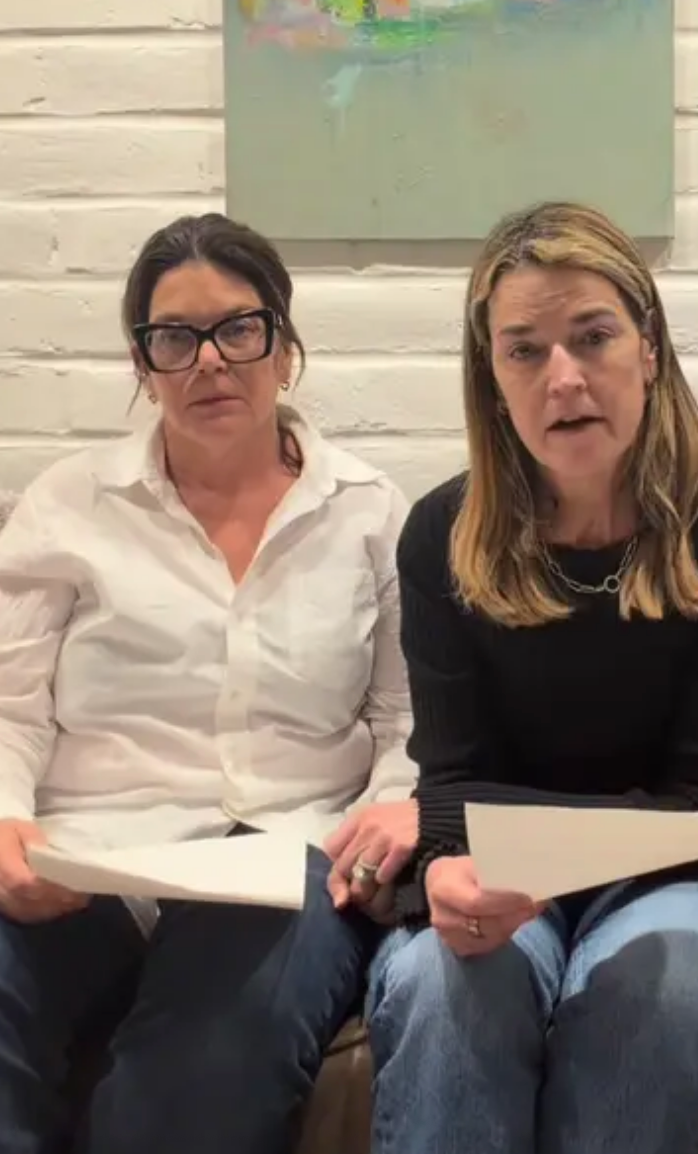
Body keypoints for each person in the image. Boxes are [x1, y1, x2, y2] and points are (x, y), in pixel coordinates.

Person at [334, 200, 698, 1154]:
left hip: (672, 877)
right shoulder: (442, 536)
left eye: (593, 337)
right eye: (525, 351)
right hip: (498, 865)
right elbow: (453, 782)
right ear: (492, 379)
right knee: (439, 985)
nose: (564, 378)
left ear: (649, 349)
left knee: (664, 989)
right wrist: (452, 852)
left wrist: (460, 821)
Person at [0, 212, 416, 1154]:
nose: (210, 361)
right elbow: (12, 706)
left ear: (285, 348)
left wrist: (386, 812)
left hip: (285, 852)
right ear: (142, 365)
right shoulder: (68, 506)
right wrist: (8, 821)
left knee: (199, 1072)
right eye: (174, 339)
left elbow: (407, 720)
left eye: (238, 329)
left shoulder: (367, 512)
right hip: (88, 856)